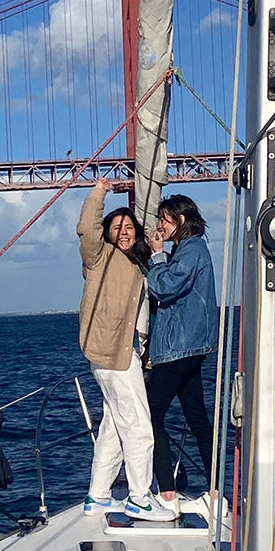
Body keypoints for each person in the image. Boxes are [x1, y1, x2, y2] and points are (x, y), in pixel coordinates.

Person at [76, 177, 174, 522]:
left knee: (114, 427)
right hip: (110, 351)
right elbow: (87, 229)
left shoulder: (137, 264)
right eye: (116, 227)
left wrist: (157, 242)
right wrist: (100, 191)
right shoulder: (99, 257)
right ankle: (139, 497)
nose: (124, 231)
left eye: (129, 226)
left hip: (124, 353)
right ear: (107, 233)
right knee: (137, 425)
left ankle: (98, 495)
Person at [145, 194, 220, 516]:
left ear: (181, 221)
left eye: (164, 218)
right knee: (198, 419)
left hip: (179, 347)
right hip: (192, 345)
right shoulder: (191, 249)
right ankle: (216, 495)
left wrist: (157, 256)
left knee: (150, 416)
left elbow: (164, 288)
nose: (159, 224)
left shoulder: (189, 251)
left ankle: (167, 494)